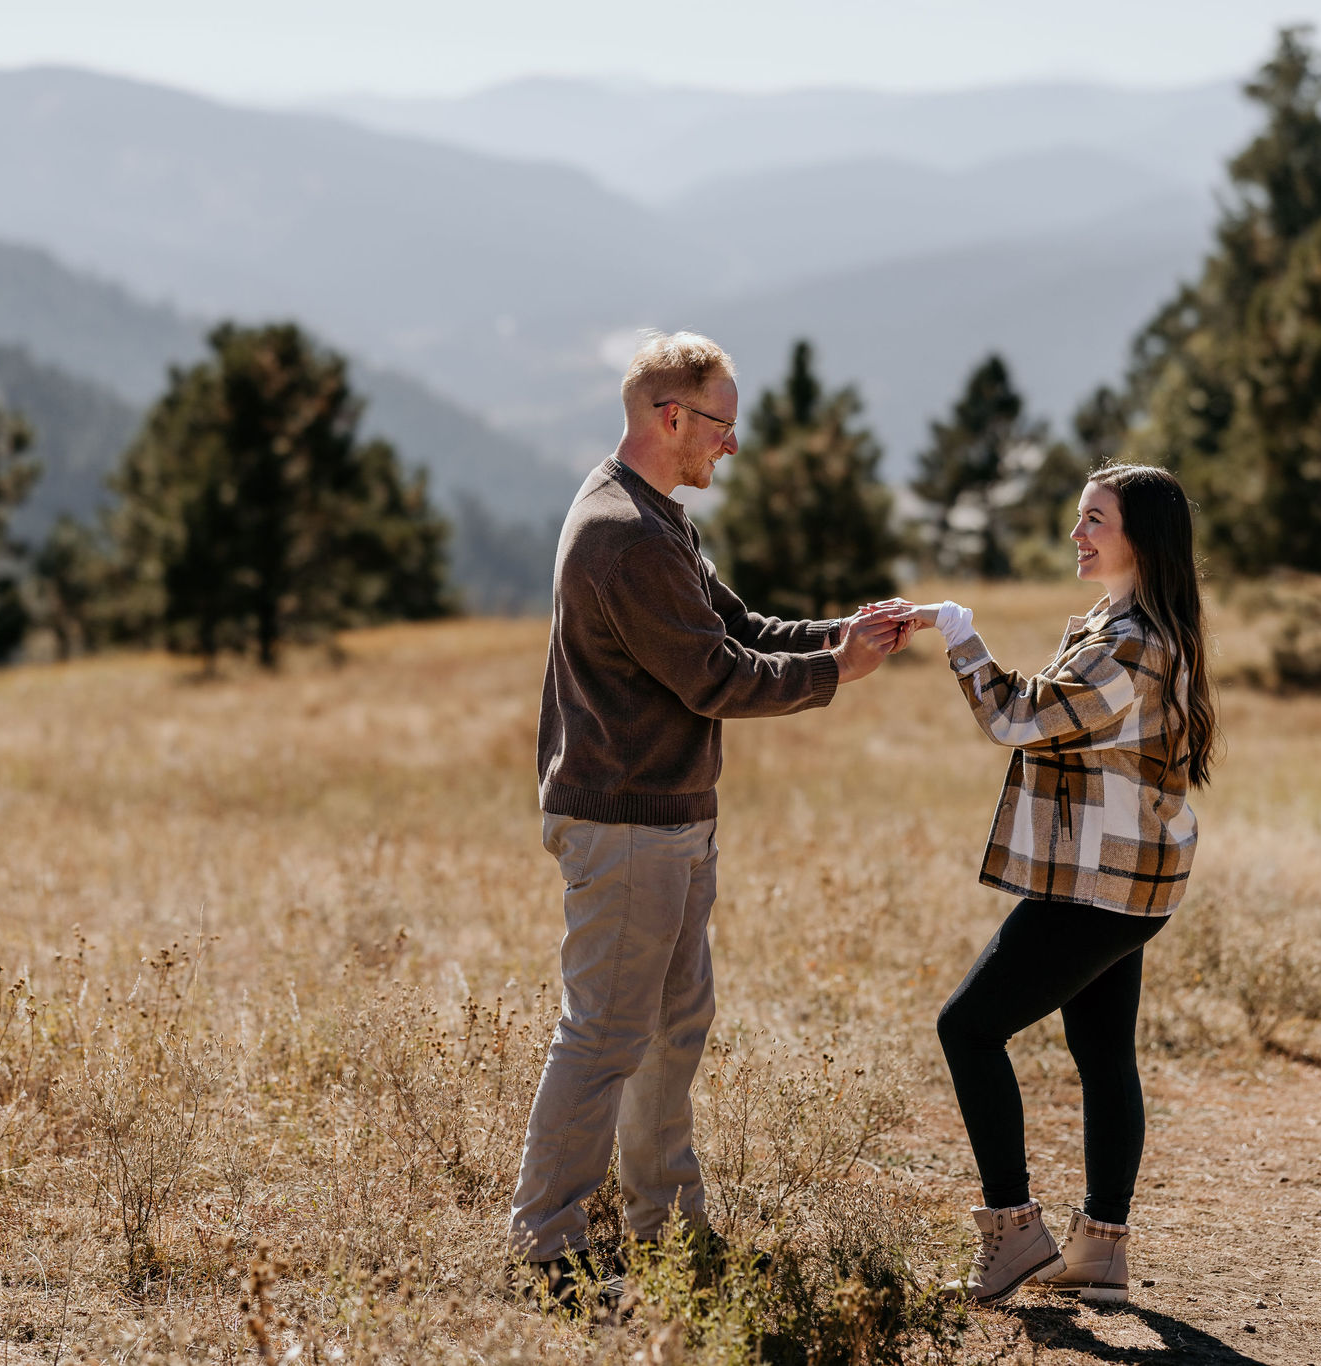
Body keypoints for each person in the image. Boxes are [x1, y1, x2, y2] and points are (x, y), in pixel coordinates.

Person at [510, 331, 910, 1311]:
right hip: (626, 823)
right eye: (721, 425)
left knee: (672, 1029)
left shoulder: (660, 520)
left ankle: (666, 1230)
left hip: (670, 817)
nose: (731, 444)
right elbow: (716, 677)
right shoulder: (625, 534)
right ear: (670, 417)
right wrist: (836, 672)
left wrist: (842, 634)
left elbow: (738, 627)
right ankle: (546, 1250)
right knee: (605, 1036)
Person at [870, 464, 1218, 1306]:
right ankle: (1100, 1250)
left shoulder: (1133, 645)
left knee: (967, 1028)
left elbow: (1019, 718)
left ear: (1141, 539)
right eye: (1079, 517)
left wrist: (958, 631)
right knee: (1102, 1054)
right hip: (1122, 879)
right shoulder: (1121, 625)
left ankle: (1013, 1231)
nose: (1077, 534)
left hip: (1103, 884)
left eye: (1095, 520)